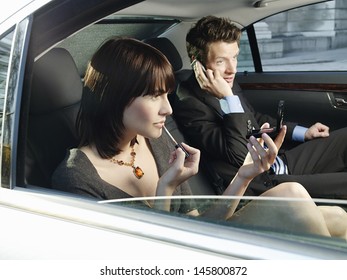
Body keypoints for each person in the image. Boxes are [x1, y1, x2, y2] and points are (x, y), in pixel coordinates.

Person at [52, 37, 347, 240]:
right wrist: (165, 188)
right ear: (113, 99)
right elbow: (150, 259)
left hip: (200, 239)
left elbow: (199, 222)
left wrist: (244, 175)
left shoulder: (153, 139)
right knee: (294, 199)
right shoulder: (77, 179)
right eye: (154, 96)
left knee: (331, 213)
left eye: (166, 95)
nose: (167, 109)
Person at [171, 15, 347, 198]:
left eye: (235, 57)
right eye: (221, 61)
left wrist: (303, 133)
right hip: (264, 182)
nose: (233, 69)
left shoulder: (226, 80)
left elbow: (255, 119)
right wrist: (228, 97)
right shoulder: (189, 105)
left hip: (279, 161)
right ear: (196, 62)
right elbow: (241, 157)